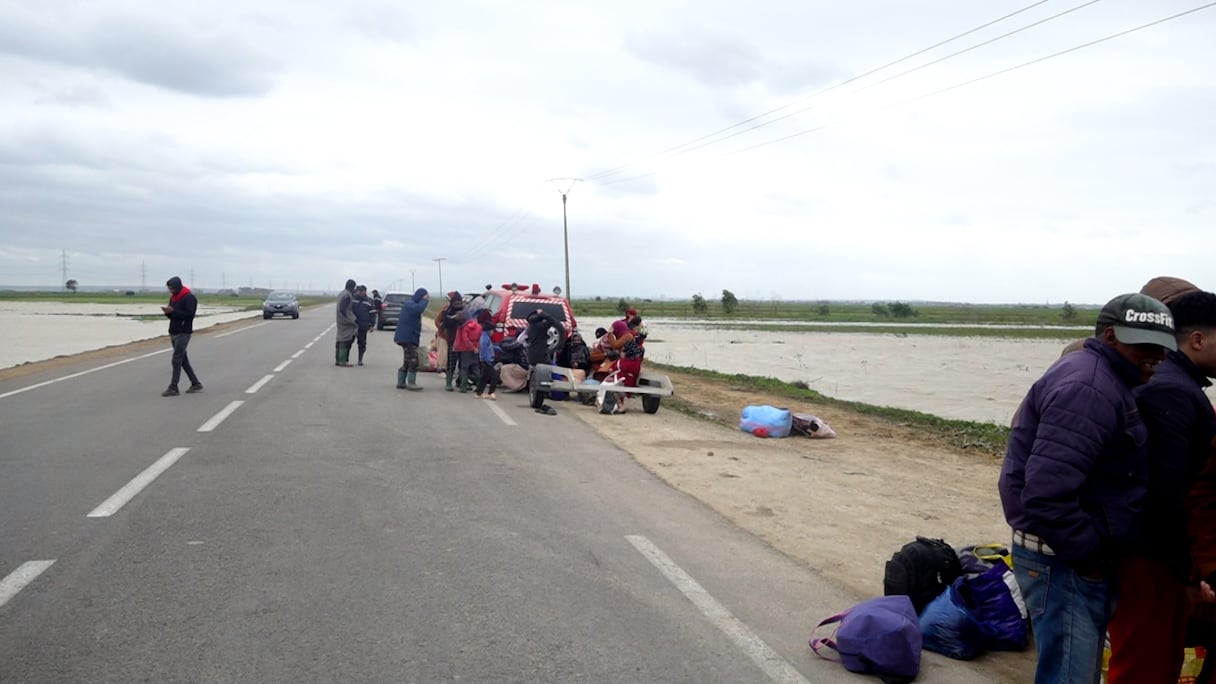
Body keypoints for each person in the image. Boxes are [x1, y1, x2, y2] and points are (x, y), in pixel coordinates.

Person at [998, 292, 1176, 684]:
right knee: (1070, 676)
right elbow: (1046, 493)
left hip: (1067, 556)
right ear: (1110, 336)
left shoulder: (1106, 377)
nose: (1157, 356)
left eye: (1162, 346)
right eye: (1144, 345)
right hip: (1064, 561)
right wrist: (1089, 556)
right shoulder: (1089, 388)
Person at [1107, 290, 1216, 683]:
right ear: (1197, 340)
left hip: (1155, 550)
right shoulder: (1173, 391)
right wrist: (1191, 570)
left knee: (1155, 657)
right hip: (1152, 555)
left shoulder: (1174, 383)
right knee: (1145, 663)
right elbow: (1167, 491)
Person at [160, 276, 203, 397]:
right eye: (169, 289)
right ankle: (195, 383)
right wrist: (168, 313)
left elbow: (189, 315)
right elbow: (173, 316)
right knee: (183, 360)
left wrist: (173, 311)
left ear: (178, 286)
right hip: (173, 331)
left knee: (176, 359)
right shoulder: (173, 298)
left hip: (184, 332)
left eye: (172, 288)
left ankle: (173, 387)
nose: (171, 291)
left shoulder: (189, 298)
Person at [525, 308, 561, 414]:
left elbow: (529, 317)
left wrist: (536, 314)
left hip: (531, 355)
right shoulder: (541, 327)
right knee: (553, 369)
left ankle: (541, 390)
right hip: (541, 355)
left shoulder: (530, 327)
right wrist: (543, 314)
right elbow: (552, 321)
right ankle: (556, 392)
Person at [393, 288, 429, 390]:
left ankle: (401, 382)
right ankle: (411, 383)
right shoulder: (410, 304)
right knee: (414, 360)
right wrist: (424, 300)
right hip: (407, 337)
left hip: (408, 337)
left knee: (407, 360)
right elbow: (418, 310)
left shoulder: (410, 304)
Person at [438, 292, 466, 391]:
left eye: (459, 303)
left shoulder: (465, 311)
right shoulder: (448, 311)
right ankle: (449, 383)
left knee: (463, 363)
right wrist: (454, 319)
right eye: (456, 303)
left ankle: (461, 383)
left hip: (464, 341)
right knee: (451, 363)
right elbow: (445, 323)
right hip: (452, 341)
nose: (458, 305)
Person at [452, 313, 482, 394]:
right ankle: (479, 386)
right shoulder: (478, 326)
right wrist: (476, 348)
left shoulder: (464, 327)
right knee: (476, 368)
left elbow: (465, 339)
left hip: (465, 350)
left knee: (464, 368)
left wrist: (471, 347)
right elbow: (480, 338)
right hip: (475, 350)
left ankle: (463, 387)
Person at [475, 311, 501, 400]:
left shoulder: (485, 337)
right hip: (487, 361)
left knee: (484, 377)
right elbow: (484, 350)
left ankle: (479, 392)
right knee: (494, 376)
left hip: (485, 360)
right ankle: (491, 392)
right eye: (492, 330)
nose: (493, 332)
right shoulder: (485, 338)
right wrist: (488, 360)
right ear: (489, 330)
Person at [334, 279, 357, 367]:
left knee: (340, 339)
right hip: (345, 321)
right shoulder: (347, 295)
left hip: (339, 319)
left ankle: (338, 360)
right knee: (345, 339)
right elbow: (343, 308)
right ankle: (343, 361)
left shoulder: (341, 293)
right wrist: (351, 320)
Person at [351, 284, 376, 366]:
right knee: (348, 341)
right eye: (359, 291)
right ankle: (345, 359)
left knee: (362, 343)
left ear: (365, 291)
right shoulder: (353, 299)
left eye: (362, 291)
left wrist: (372, 325)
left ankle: (360, 360)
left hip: (363, 325)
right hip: (352, 325)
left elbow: (373, 314)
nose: (360, 292)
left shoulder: (369, 301)